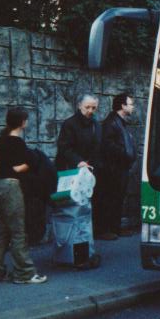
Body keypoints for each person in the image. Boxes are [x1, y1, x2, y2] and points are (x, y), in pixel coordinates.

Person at [0, 108, 48, 285]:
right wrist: (23, 167)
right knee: (19, 233)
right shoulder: (17, 142)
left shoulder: (0, 141)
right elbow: (28, 164)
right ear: (23, 122)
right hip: (11, 188)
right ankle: (24, 273)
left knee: (1, 233)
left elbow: (4, 166)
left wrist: (14, 168)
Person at [56, 94, 107, 236]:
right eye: (87, 107)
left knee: (88, 207)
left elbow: (98, 147)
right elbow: (64, 148)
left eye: (94, 108)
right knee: (75, 208)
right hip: (73, 171)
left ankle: (86, 242)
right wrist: (78, 161)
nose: (90, 110)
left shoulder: (96, 125)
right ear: (79, 106)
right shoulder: (70, 124)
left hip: (91, 171)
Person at [100, 94, 137, 238]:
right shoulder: (112, 123)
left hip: (120, 167)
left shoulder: (119, 122)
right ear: (123, 106)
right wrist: (125, 154)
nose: (133, 106)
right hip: (113, 169)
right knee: (112, 198)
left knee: (118, 198)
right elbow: (108, 145)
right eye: (130, 103)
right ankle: (107, 230)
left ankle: (115, 228)